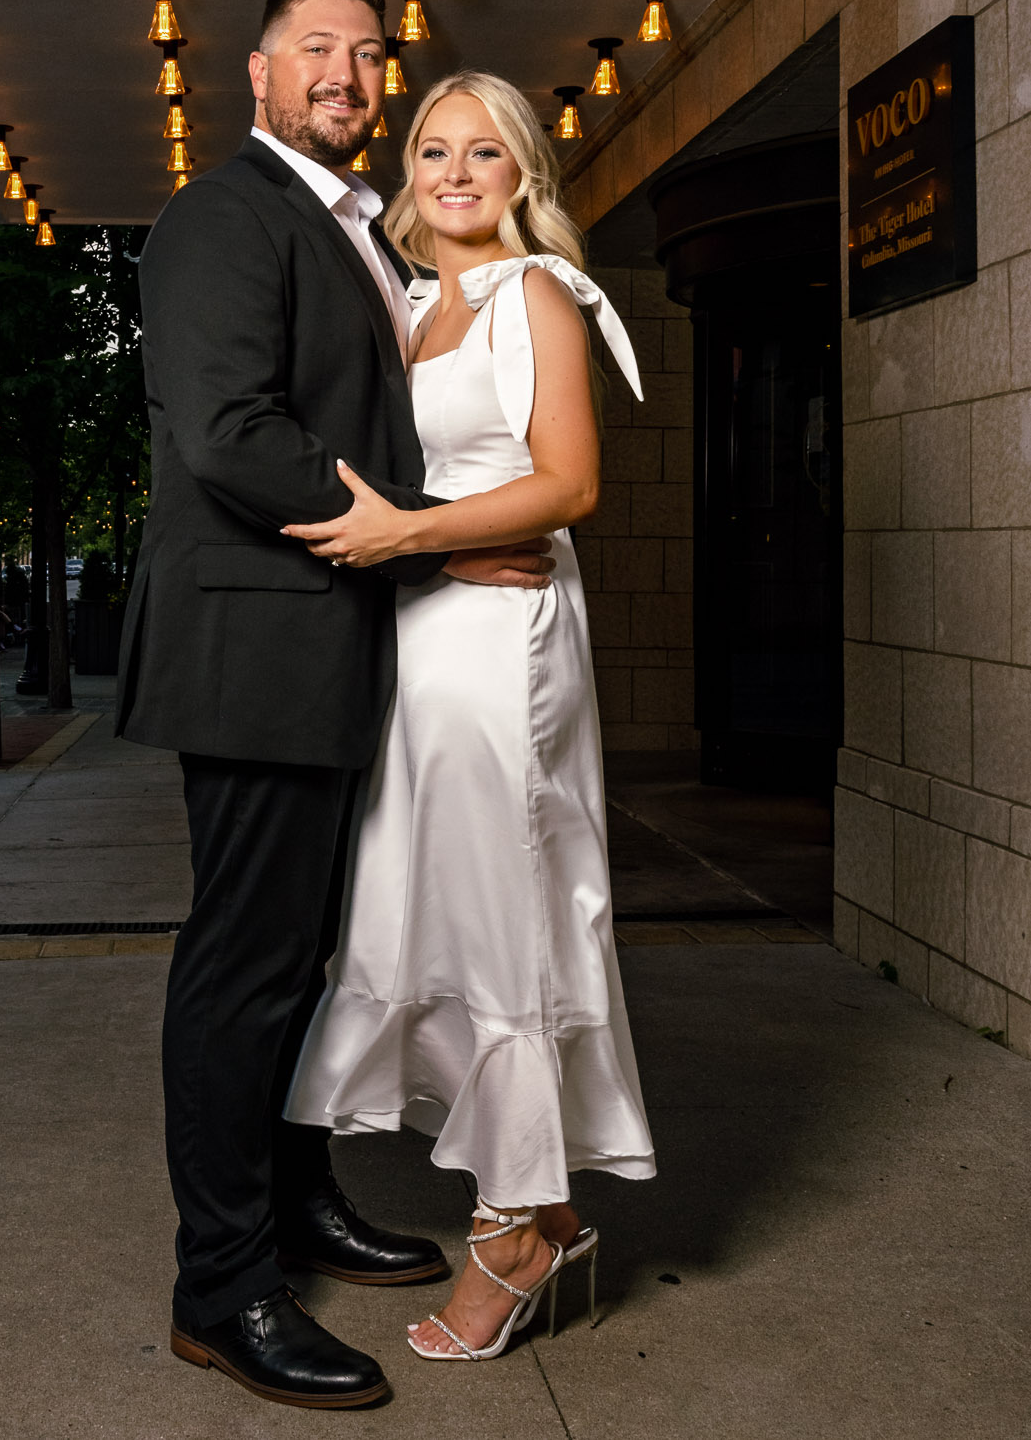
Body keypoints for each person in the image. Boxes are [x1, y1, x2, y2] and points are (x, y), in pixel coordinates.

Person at [117, 0, 555, 1410]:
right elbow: (232, 432)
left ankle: (297, 1201)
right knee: (246, 966)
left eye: (367, 53)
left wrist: (425, 549)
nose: (348, 72)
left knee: (308, 959)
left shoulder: (360, 228)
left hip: (338, 648)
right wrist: (427, 537)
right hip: (257, 648)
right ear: (256, 71)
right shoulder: (220, 216)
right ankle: (221, 1286)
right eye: (318, 48)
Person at [282, 72, 656, 1364]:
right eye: (432, 148)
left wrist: (417, 533)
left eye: (481, 152)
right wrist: (419, 553)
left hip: (505, 642)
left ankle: (512, 1233)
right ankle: (538, 1201)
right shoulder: (407, 303)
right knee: (430, 899)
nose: (452, 171)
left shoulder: (535, 293)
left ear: (520, 172)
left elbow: (569, 482)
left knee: (509, 908)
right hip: (423, 628)